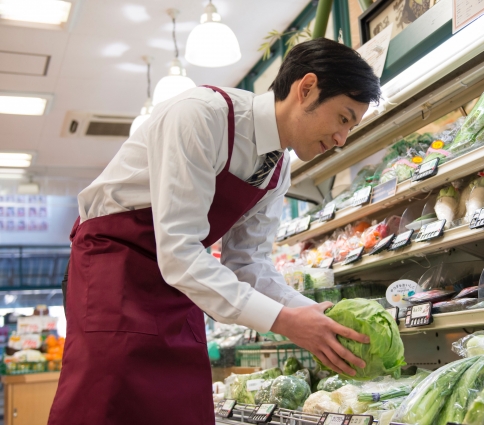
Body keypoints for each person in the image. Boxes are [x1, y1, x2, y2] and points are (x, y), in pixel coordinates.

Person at [49, 38, 381, 425]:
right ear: (305, 89)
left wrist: (308, 312)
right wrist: (285, 322)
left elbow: (248, 263)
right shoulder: (202, 116)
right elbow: (180, 250)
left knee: (181, 409)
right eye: (343, 118)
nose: (342, 140)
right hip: (114, 267)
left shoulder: (278, 172)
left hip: (176, 286)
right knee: (105, 402)